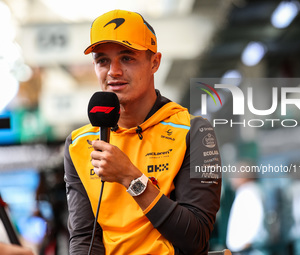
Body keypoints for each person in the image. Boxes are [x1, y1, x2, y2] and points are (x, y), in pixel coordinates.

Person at [64, 9, 222, 255]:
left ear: (155, 62)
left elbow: (196, 237)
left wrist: (131, 178)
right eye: (102, 60)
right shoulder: (78, 144)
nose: (113, 71)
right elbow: (85, 238)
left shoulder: (195, 132)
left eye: (127, 58)